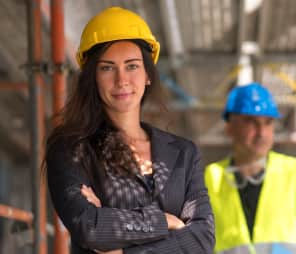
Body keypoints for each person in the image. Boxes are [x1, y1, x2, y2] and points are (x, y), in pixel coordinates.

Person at [45, 7, 214, 254]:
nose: (121, 80)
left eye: (132, 66)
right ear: (93, 78)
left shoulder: (183, 154)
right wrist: (164, 221)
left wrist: (124, 250)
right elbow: (90, 228)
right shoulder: (71, 150)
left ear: (147, 75)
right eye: (107, 68)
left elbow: (202, 238)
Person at [205, 83, 296, 254]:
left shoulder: (295, 172)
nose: (261, 132)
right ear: (229, 127)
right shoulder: (208, 179)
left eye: (268, 123)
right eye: (251, 122)